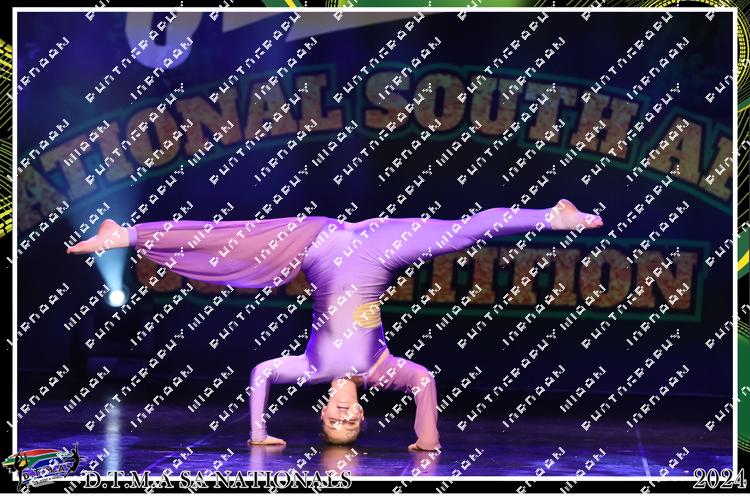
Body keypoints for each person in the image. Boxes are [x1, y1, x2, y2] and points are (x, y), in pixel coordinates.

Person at [67, 199, 603, 451]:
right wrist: (426, 437)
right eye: (350, 423)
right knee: (462, 233)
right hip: (378, 248)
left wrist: (259, 433)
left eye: (334, 422)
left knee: (234, 243)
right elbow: (424, 381)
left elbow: (260, 373)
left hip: (320, 244)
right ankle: (551, 217)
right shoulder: (382, 370)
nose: (343, 416)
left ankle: (126, 235)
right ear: (361, 414)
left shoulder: (309, 368)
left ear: (323, 411)